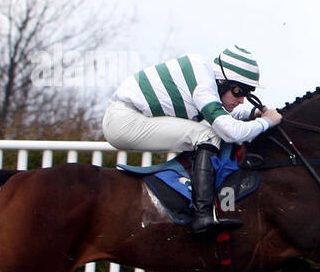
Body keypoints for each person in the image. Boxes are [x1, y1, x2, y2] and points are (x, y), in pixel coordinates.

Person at [103, 44, 282, 237]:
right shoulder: (204, 86)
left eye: (246, 94)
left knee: (205, 131)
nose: (241, 100)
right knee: (207, 135)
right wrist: (267, 122)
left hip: (126, 117)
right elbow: (231, 132)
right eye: (239, 91)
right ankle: (202, 216)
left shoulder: (205, 75)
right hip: (124, 121)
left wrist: (253, 112)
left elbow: (223, 112)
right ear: (222, 81)